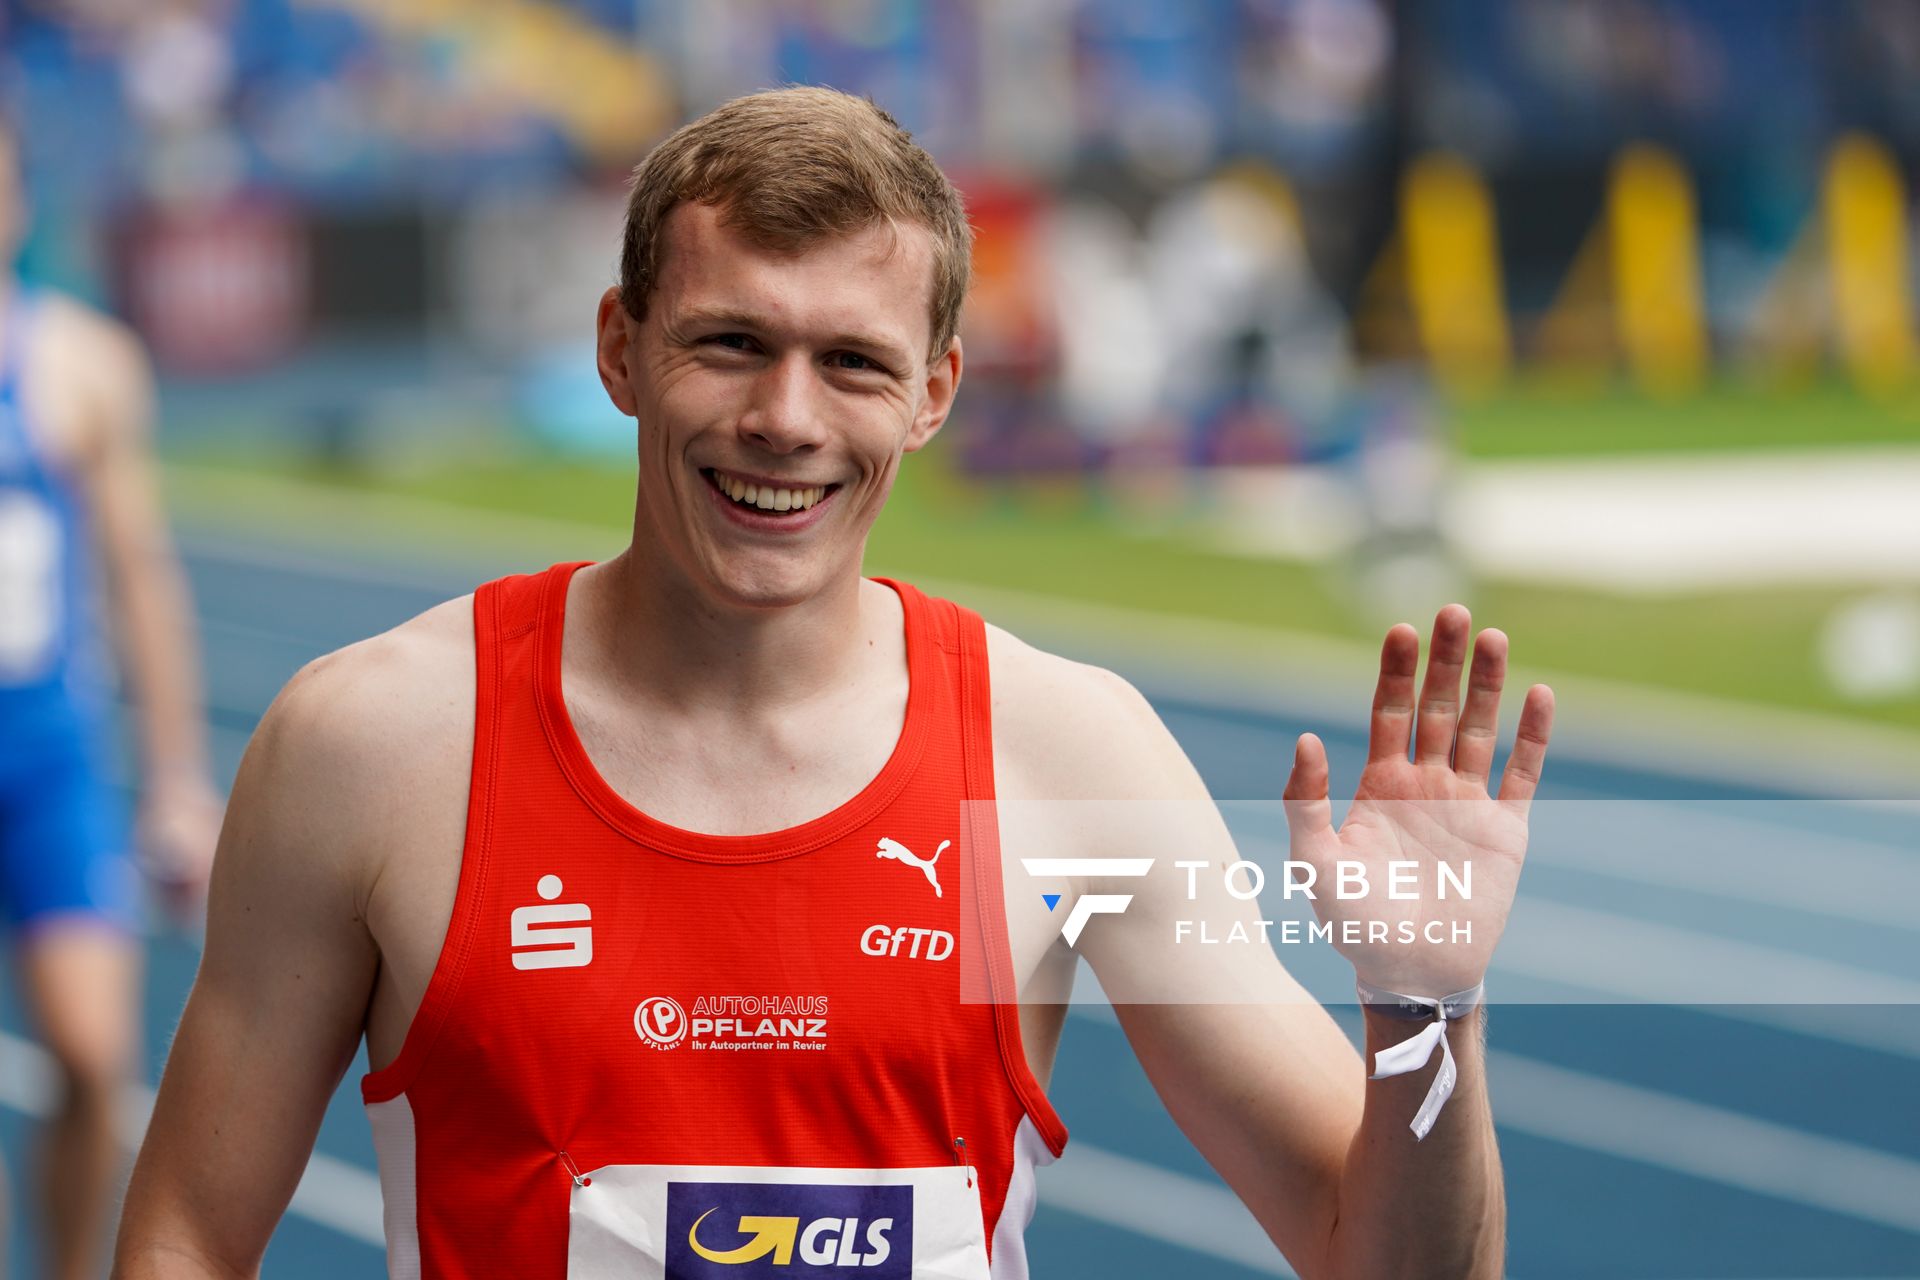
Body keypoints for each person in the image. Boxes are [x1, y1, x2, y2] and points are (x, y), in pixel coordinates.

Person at [114, 87, 1552, 1279]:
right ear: (622, 349)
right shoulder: (375, 743)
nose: (785, 420)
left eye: (852, 363)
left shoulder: (1065, 756)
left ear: (932, 396)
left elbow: (1393, 1264)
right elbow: (183, 1235)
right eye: (731, 342)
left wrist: (1425, 1007)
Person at [0, 123, 222, 1280]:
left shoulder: (80, 362)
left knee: (93, 1056)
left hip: (47, 759)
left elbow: (140, 576)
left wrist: (177, 776)